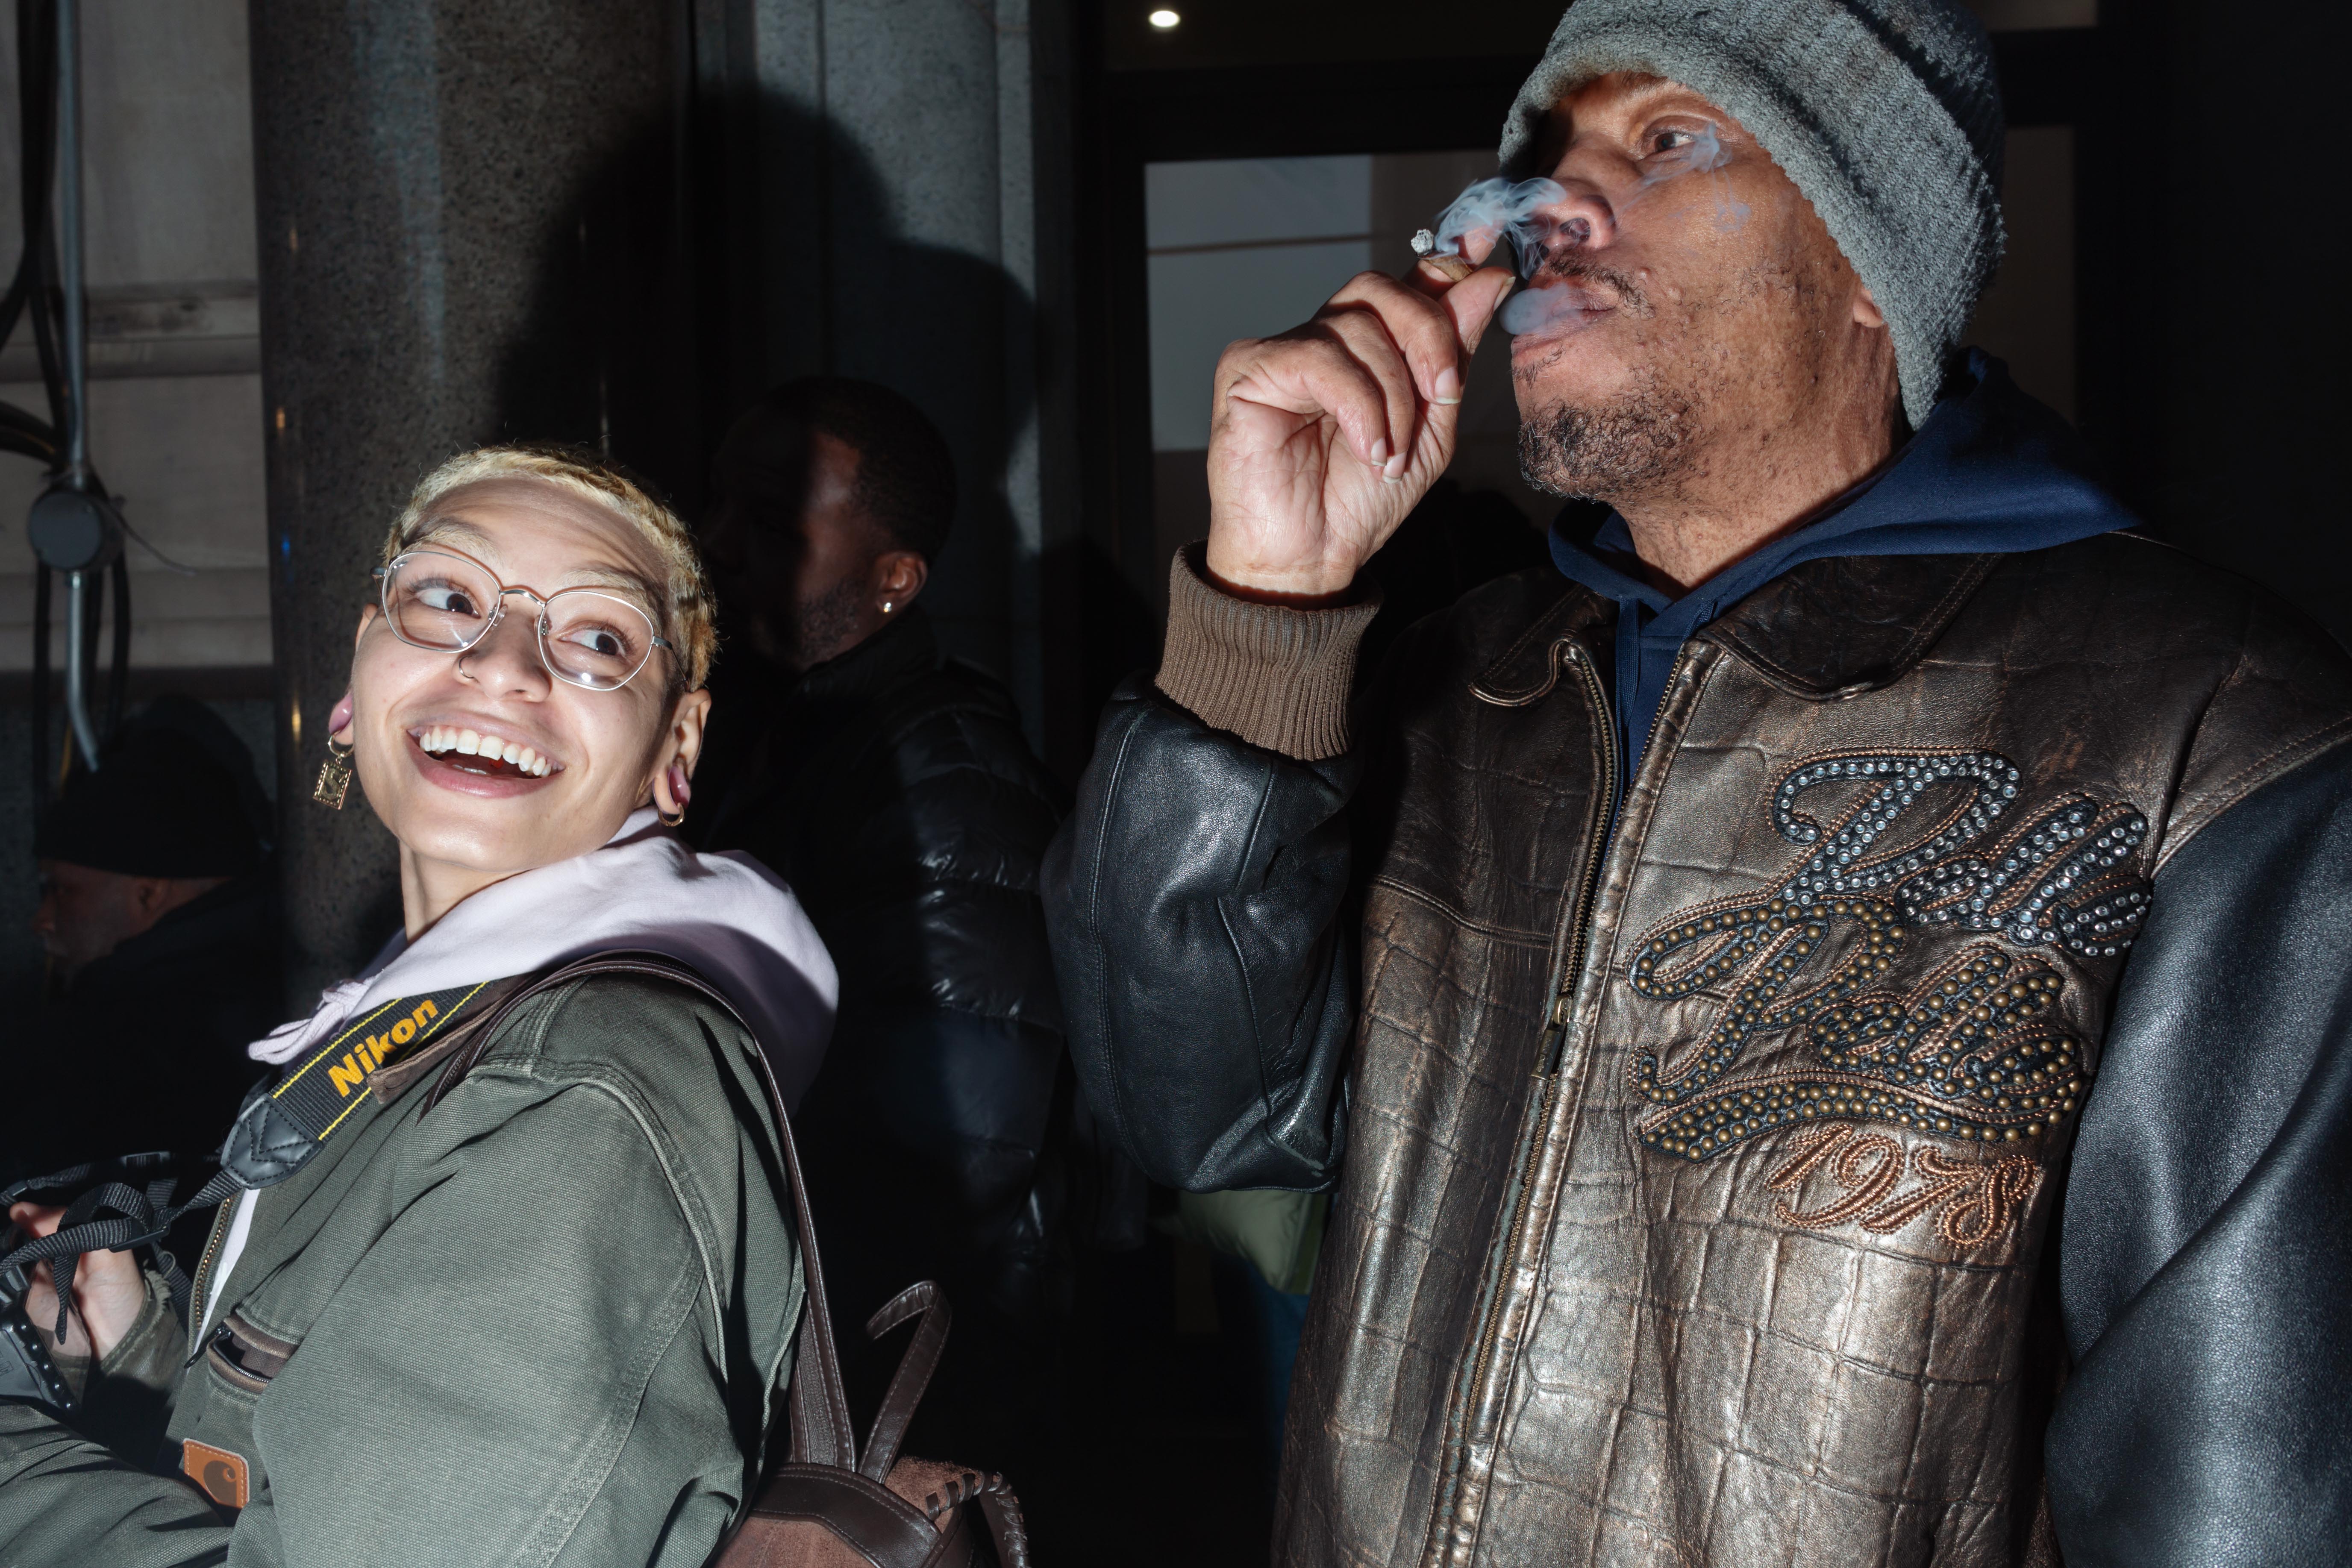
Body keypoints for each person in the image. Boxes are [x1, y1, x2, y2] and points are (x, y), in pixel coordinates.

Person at [1043, 1, 2352, 1564]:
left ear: (1873, 262)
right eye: (1541, 153)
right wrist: (1266, 602)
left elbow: (2235, 1490)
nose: (1543, 208)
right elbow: (1188, 1119)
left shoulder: (2202, 724)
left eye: (1667, 139)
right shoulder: (1458, 687)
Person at [0, 446, 836, 1565]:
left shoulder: (578, 1089)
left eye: (596, 637)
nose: (499, 662)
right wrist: (143, 1334)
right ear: (358, 676)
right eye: (447, 597)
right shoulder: (446, 1016)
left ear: (674, 753)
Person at [686, 377, 1084, 1479]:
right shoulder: (777, 735)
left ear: (892, 580)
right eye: (718, 505)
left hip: (885, 1411)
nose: (716, 544)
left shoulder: (941, 778)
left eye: (769, 523)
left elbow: (951, 1155)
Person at [8, 698, 280, 1185]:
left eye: (62, 890)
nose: (42, 919)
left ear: (148, 893)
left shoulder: (111, 1044)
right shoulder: (277, 980)